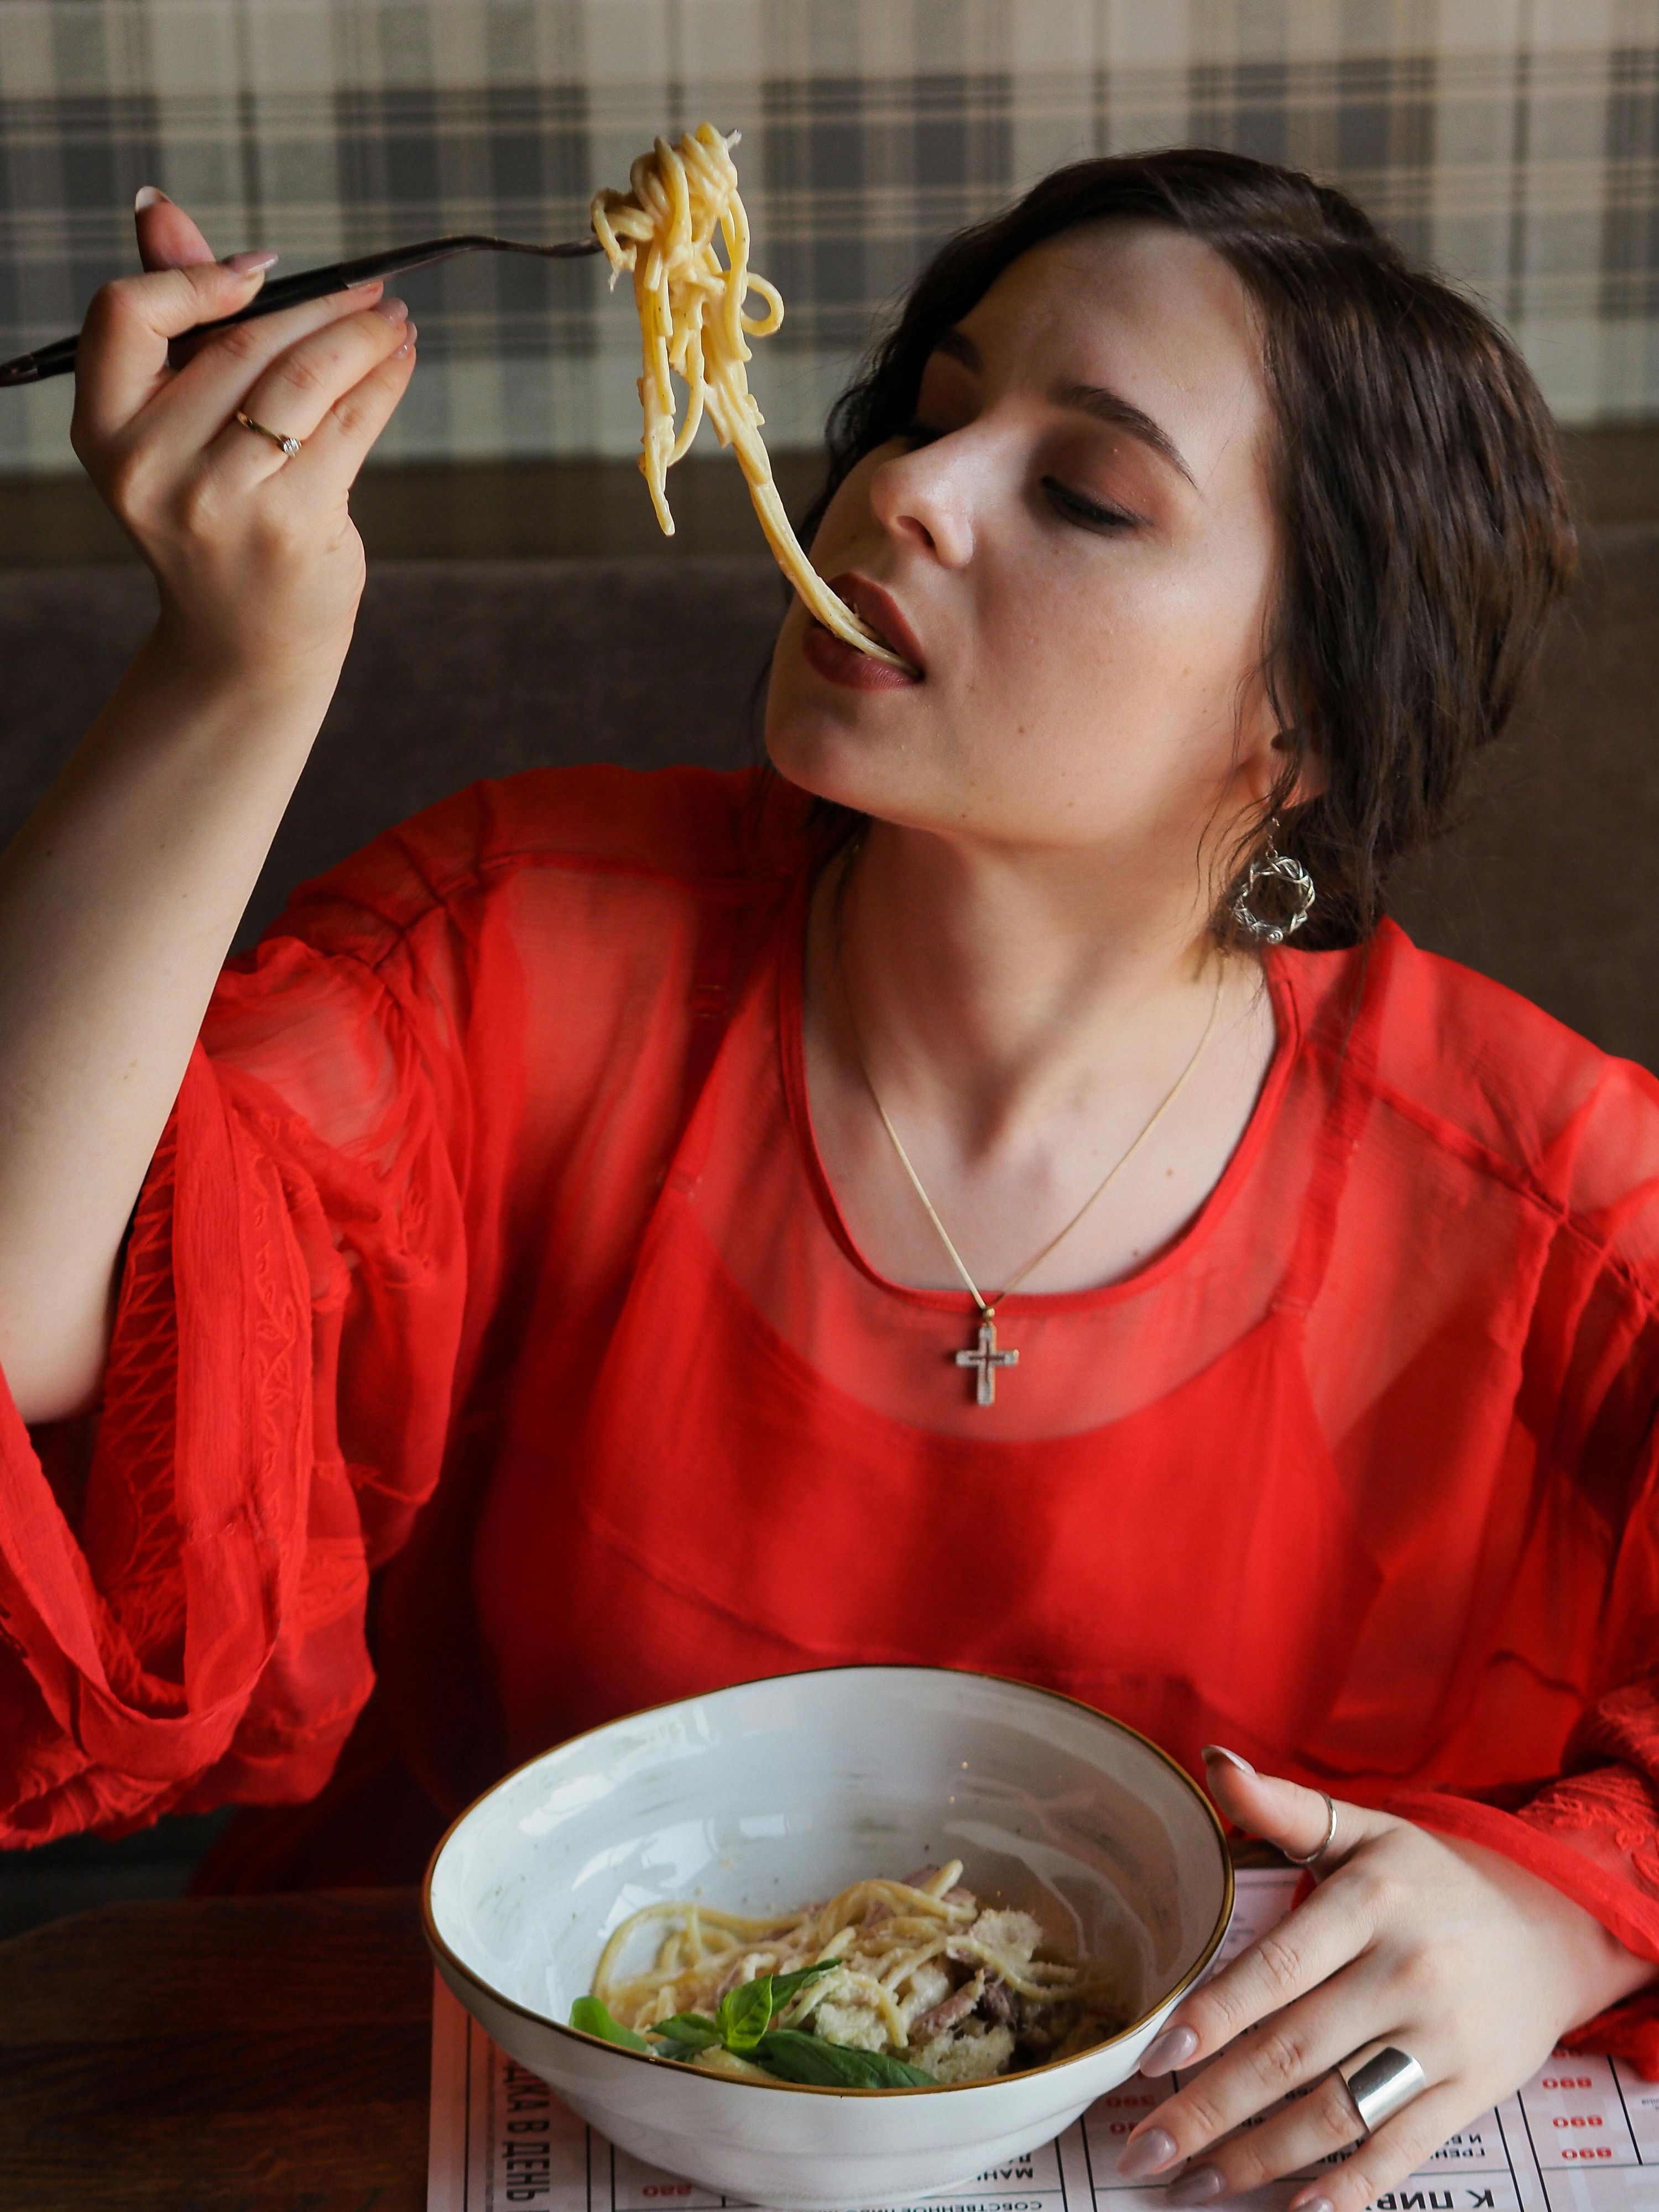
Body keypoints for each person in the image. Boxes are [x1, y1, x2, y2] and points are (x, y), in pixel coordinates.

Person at [1, 148, 1656, 2210]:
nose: (906, 491)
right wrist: (226, 674)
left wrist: (1572, 1909)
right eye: (935, 404)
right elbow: (32, 1318)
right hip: (455, 2094)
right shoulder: (524, 940)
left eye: (1085, 493)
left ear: (1304, 719)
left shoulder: (1545, 1199)